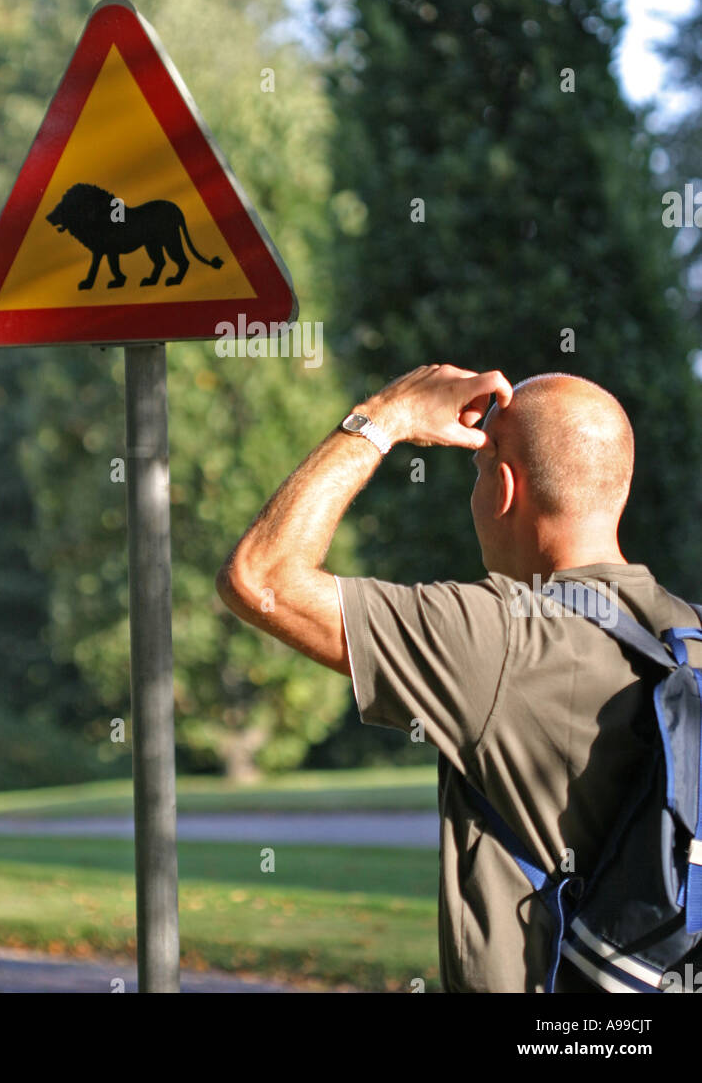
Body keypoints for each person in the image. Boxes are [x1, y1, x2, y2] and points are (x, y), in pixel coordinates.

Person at [216, 364, 702, 992]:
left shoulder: (499, 638)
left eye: (477, 479)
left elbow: (261, 579)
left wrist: (383, 417)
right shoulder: (690, 636)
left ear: (503, 487)